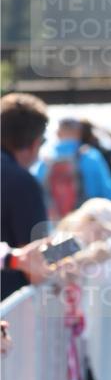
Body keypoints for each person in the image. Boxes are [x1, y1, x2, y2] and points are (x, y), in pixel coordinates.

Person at [0, 93, 49, 299]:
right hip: (8, 309)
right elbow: (35, 259)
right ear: (35, 143)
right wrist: (78, 243)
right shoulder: (22, 182)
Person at [34, 117, 111, 222]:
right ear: (79, 133)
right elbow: (107, 189)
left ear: (58, 134)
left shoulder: (45, 160)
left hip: (55, 223)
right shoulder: (90, 156)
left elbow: (38, 192)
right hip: (88, 222)